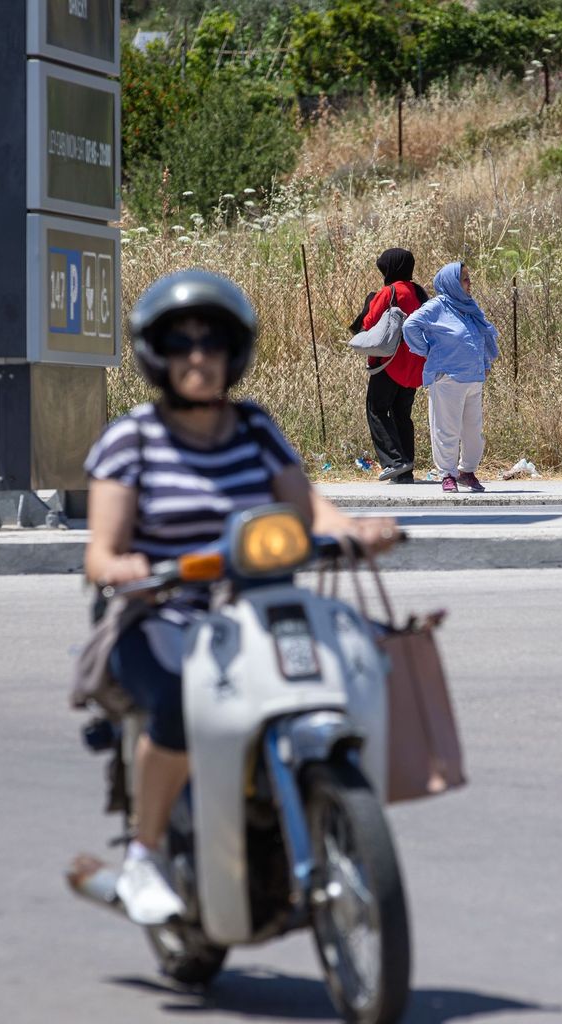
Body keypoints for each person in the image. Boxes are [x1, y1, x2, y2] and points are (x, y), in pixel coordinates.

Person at [82, 269, 402, 927]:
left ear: (236, 352)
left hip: (254, 611)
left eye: (213, 341)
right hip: (159, 613)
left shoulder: (255, 425)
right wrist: (130, 565)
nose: (198, 355)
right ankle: (144, 856)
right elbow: (101, 554)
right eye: (181, 342)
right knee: (175, 697)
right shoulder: (131, 438)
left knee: (356, 655)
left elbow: (308, 506)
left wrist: (355, 531)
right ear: (155, 353)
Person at [402, 261, 499, 493]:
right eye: (464, 279)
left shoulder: (468, 307)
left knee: (473, 431)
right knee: (447, 429)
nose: (469, 283)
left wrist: (485, 363)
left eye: (468, 278)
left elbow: (479, 337)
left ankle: (467, 471)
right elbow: (410, 326)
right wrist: (429, 351)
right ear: (452, 283)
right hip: (448, 378)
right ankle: (447, 474)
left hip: (473, 378)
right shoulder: (438, 306)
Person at [360, 248, 428, 484]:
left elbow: (369, 323)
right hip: (414, 364)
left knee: (376, 409)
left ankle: (394, 461)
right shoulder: (419, 292)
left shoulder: (388, 291)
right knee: (402, 414)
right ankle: (405, 471)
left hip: (389, 363)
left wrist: (369, 303)